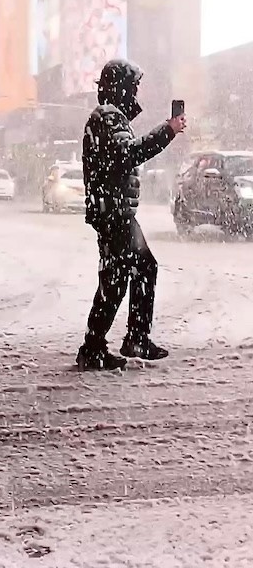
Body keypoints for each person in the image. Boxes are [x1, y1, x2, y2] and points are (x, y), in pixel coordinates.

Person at [77, 59, 185, 371]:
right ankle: (127, 339)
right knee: (133, 272)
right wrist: (168, 130)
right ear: (120, 87)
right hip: (115, 213)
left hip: (112, 210)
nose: (136, 92)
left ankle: (96, 346)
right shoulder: (109, 117)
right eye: (133, 86)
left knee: (119, 278)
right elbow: (128, 155)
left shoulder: (109, 116)